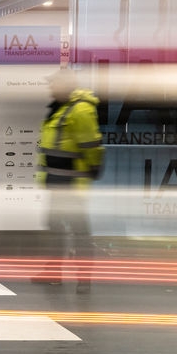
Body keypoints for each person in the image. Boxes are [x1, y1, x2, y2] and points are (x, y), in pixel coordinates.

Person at [35, 71, 104, 292]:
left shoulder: (80, 109)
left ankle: (84, 279)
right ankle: (54, 273)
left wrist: (93, 168)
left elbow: (91, 145)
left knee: (78, 230)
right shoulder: (60, 108)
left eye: (53, 84)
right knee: (54, 227)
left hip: (72, 182)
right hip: (56, 179)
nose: (50, 88)